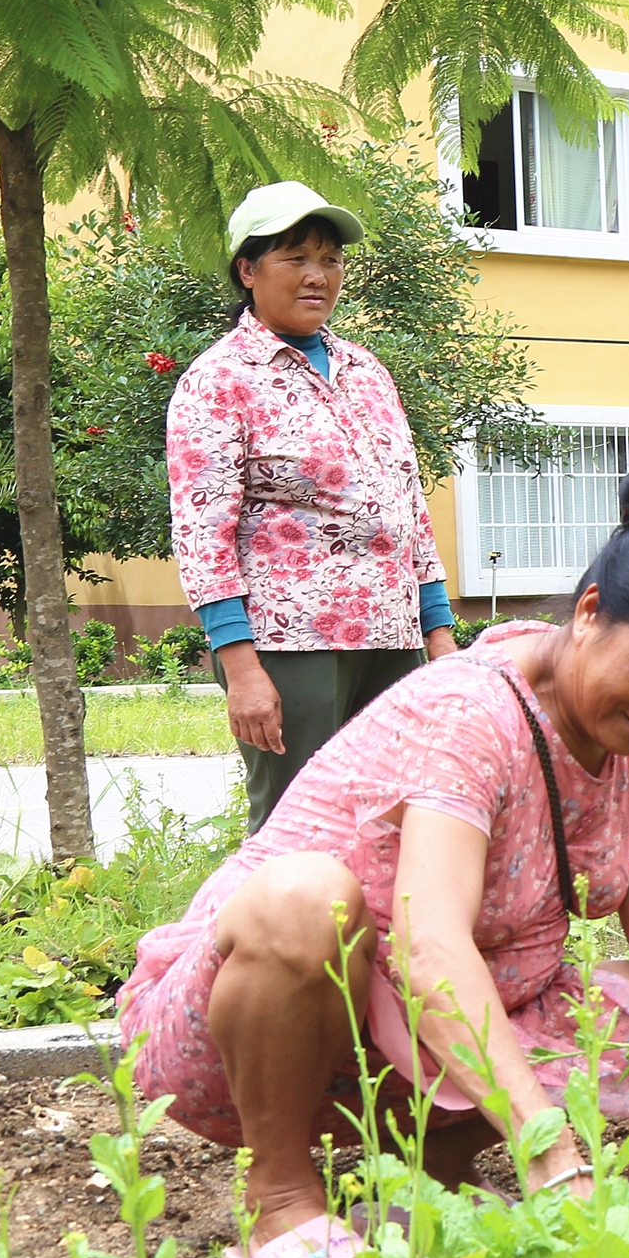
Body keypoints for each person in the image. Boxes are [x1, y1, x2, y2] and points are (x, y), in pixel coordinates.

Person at [118, 462, 629, 1258]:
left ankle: (413, 1184)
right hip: (266, 1020)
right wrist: (547, 1145)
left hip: (420, 1038)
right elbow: (432, 944)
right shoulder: (469, 713)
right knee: (305, 902)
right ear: (589, 614)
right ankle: (282, 1200)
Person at [167, 181, 459, 831]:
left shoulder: (368, 372)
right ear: (248, 269)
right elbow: (201, 531)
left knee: (395, 819)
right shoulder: (218, 381)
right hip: (288, 642)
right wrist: (240, 666)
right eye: (295, 257)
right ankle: (258, 937)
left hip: (392, 634)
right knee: (298, 826)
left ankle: (376, 936)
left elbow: (408, 504)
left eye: (329, 259)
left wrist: (438, 632)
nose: (317, 275)